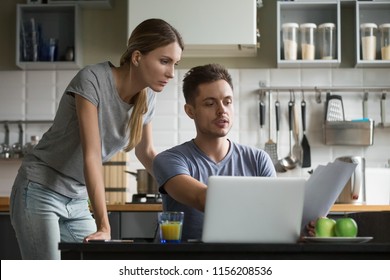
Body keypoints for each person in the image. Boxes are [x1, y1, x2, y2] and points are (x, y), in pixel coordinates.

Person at [10, 18, 184, 260]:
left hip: (77, 198)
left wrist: (184, 189)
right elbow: (91, 155)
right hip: (41, 189)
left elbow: (146, 153)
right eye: (164, 61)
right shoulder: (92, 79)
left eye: (175, 63)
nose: (171, 73)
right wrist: (104, 224)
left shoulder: (148, 97)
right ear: (136, 57)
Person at [153, 64, 276, 241]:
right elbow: (203, 198)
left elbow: (274, 215)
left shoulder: (258, 159)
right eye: (210, 103)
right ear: (190, 111)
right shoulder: (169, 160)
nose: (222, 110)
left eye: (227, 102)